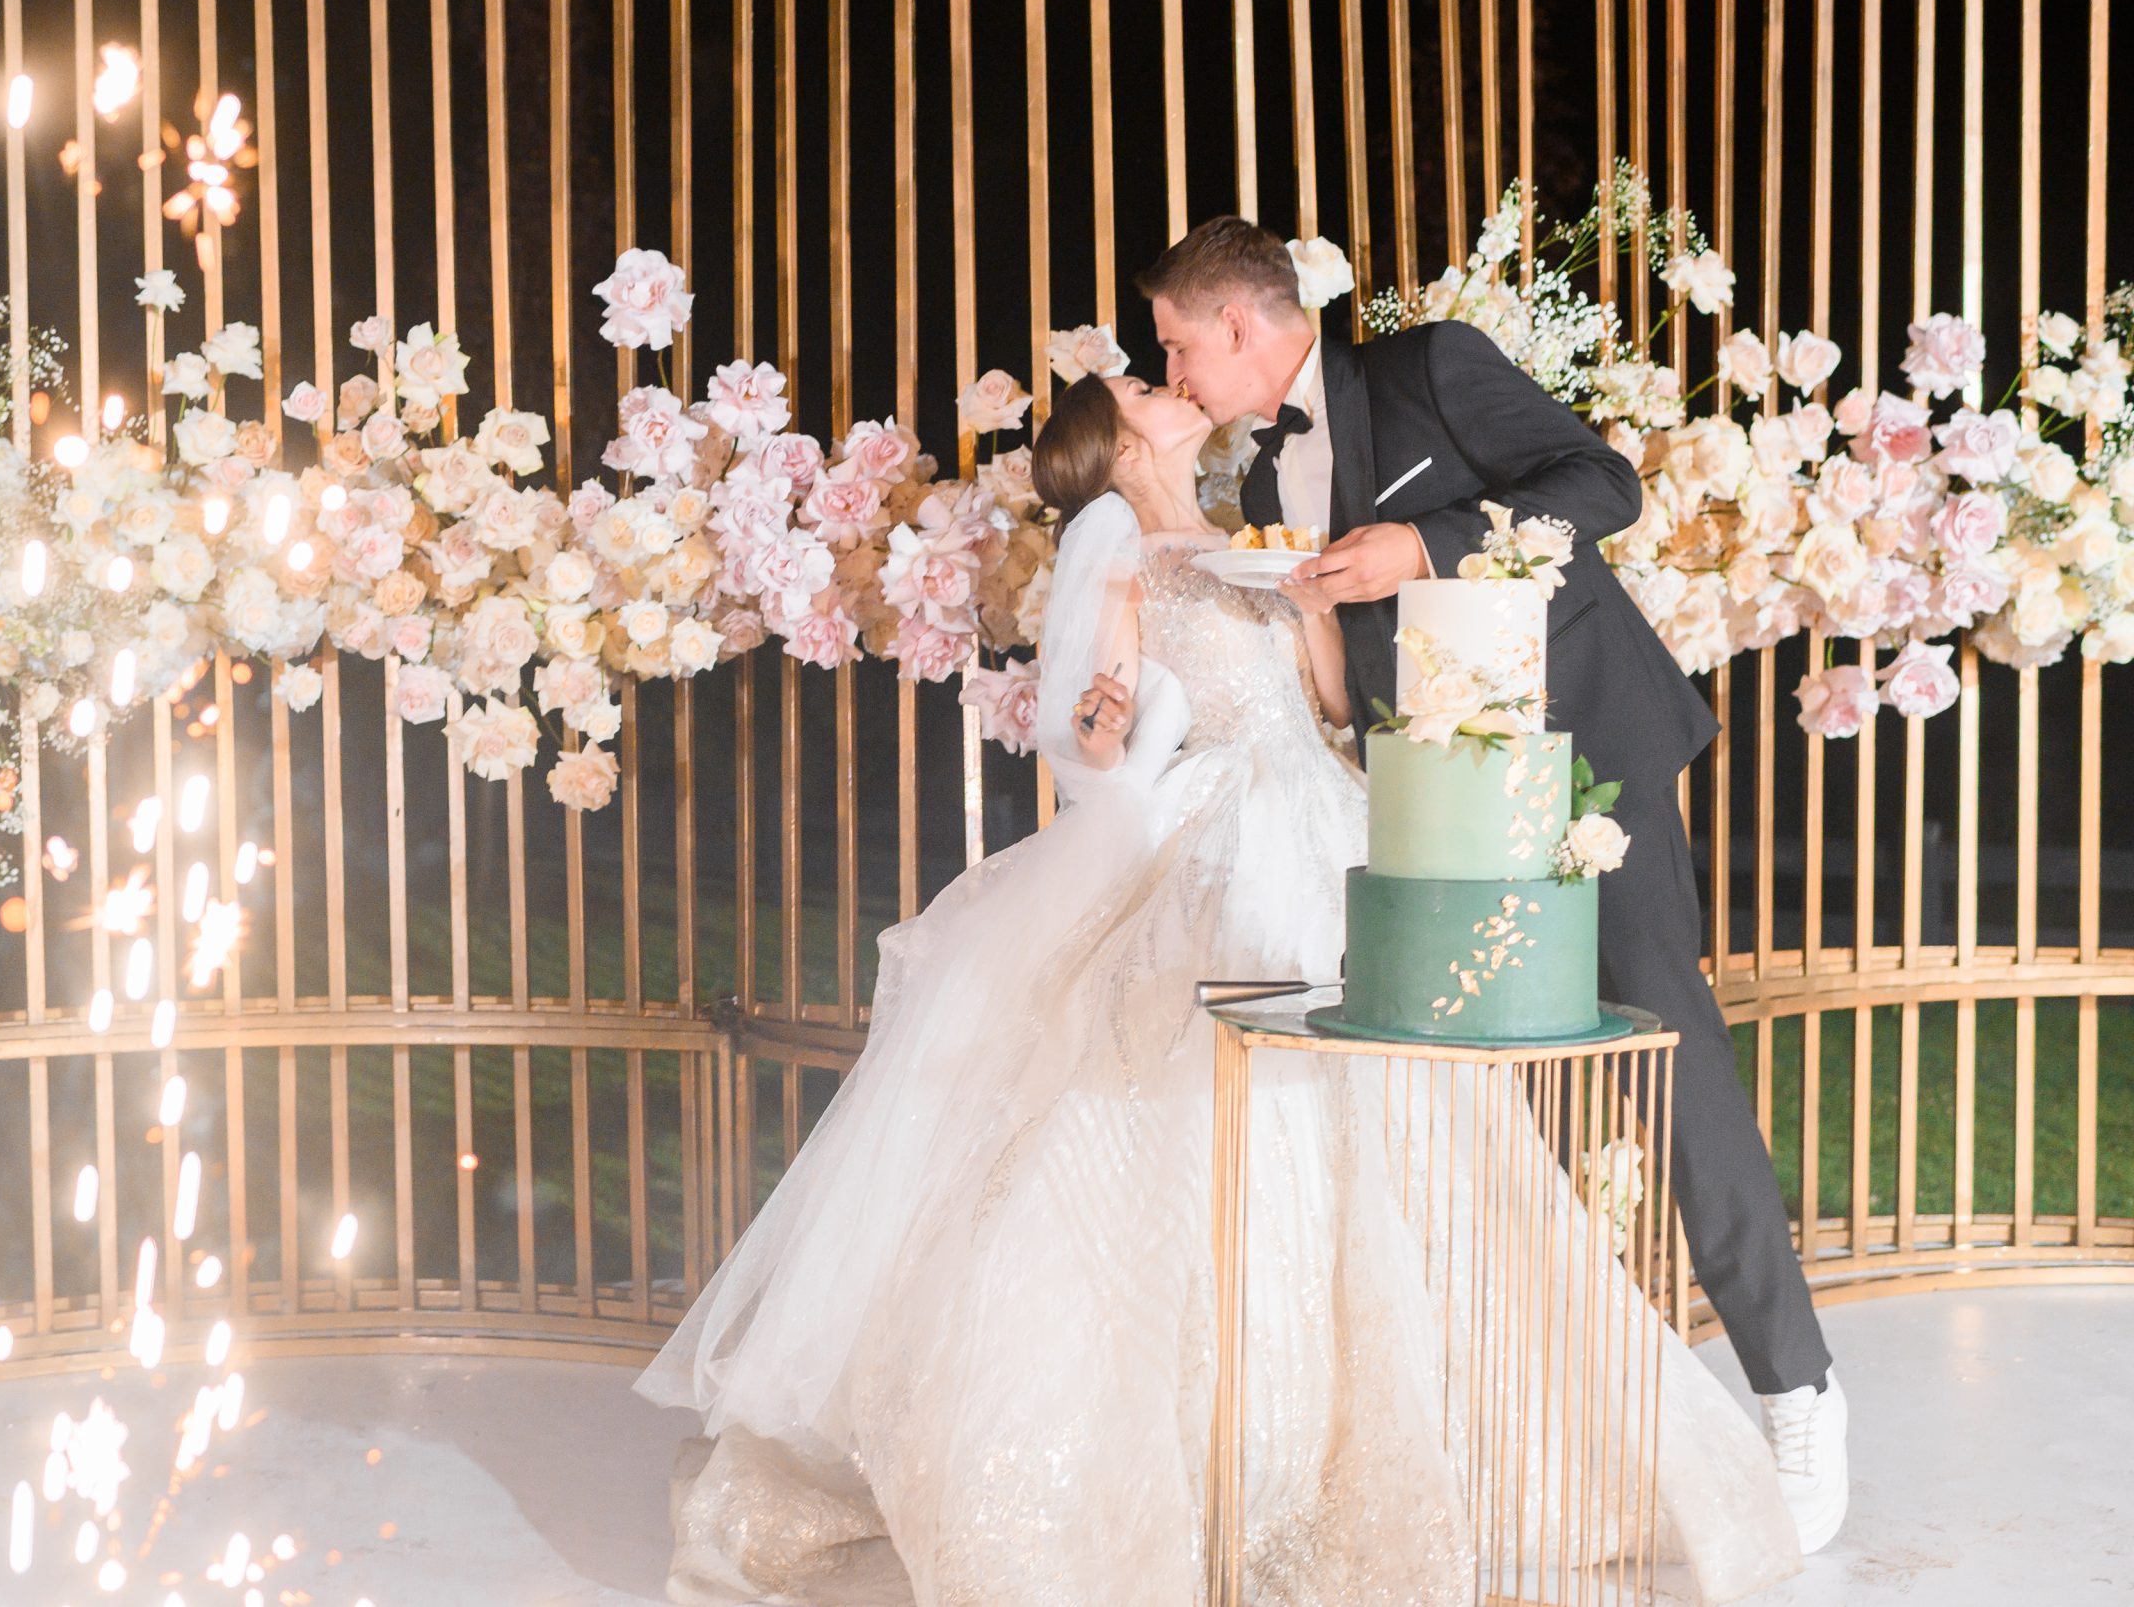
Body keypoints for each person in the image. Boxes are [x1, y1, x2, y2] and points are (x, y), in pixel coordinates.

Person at [633, 372, 1802, 1604]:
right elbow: (1090, 732)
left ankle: (1377, 1438)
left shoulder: (1250, 535)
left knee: (1389, 1108)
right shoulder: (1116, 546)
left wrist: (1304, 611)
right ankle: (1194, 1459)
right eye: (1147, 385)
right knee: (1184, 1118)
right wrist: (1096, 725)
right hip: (1221, 830)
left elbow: (1340, 710)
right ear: (1120, 435)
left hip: (1329, 822)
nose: (1171, 383)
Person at [1141, 213, 1850, 1555]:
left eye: (1178, 342)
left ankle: (1795, 1383)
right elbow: (1351, 685)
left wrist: (1424, 545)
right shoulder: (1267, 482)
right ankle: (1573, 1412)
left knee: (1662, 1038)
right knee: (1495, 1100)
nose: (1171, 368)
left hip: (1589, 755)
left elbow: (1605, 484)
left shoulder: (1429, 369)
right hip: (1435, 803)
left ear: (1240, 326)